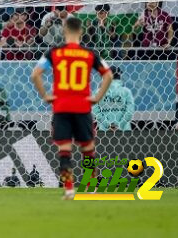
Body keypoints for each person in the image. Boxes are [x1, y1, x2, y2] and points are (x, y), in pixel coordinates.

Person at [31, 17, 113, 200]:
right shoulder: (90, 54)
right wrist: (97, 98)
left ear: (64, 31)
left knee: (65, 151)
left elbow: (35, 74)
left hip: (61, 106)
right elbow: (108, 75)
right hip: (83, 106)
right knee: (88, 149)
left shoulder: (54, 52)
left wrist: (45, 95)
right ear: (81, 32)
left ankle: (69, 189)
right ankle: (91, 187)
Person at [92, 67, 135, 131]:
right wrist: (120, 125)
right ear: (119, 76)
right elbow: (130, 111)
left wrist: (107, 124)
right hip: (124, 131)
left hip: (104, 131)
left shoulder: (98, 92)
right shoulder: (126, 91)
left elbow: (95, 110)